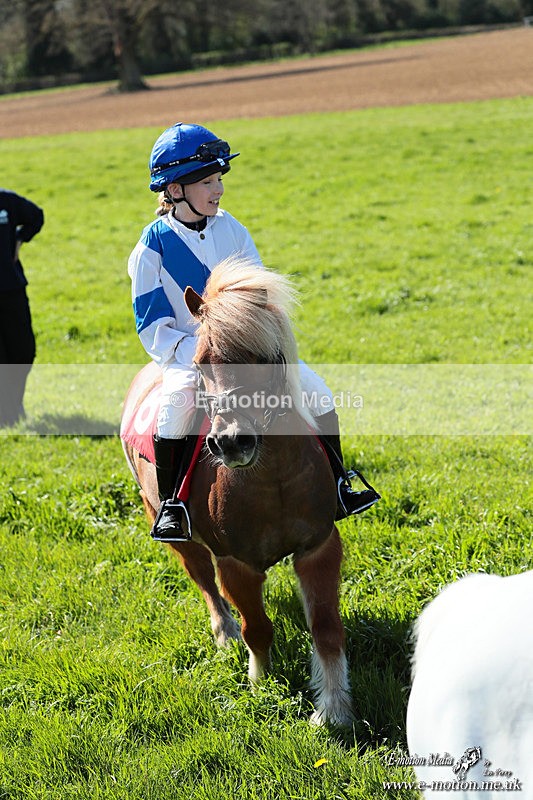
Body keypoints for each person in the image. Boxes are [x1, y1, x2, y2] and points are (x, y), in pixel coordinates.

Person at [128, 122, 379, 541]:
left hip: (249, 352)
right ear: (174, 190)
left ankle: (339, 483)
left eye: (219, 179)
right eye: (207, 181)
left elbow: (260, 296)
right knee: (174, 407)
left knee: (318, 392)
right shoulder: (150, 248)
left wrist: (248, 343)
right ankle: (173, 506)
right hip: (191, 357)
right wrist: (207, 349)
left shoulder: (232, 229)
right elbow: (151, 326)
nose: (218, 189)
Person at [0, 189, 44, 427]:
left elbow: (36, 216)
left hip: (12, 289)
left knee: (23, 351)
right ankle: (6, 415)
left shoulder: (6, 201)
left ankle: (14, 406)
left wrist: (19, 239)